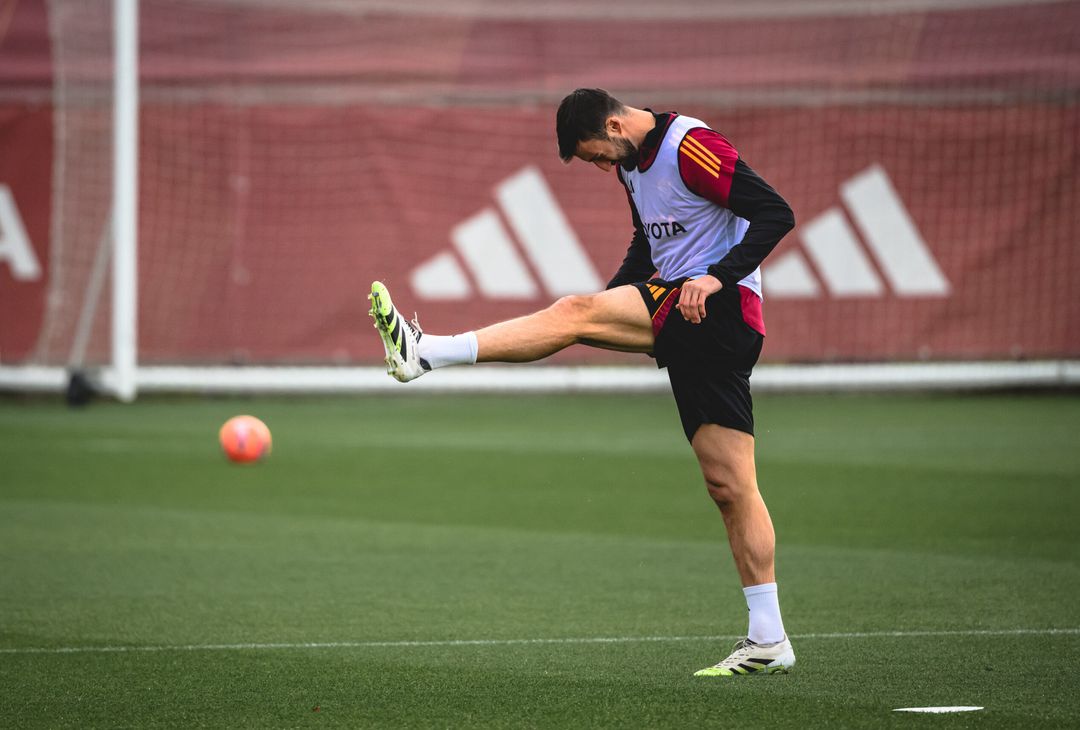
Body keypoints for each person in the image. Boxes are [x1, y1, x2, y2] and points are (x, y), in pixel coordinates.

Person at [368, 88, 796, 677]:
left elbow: (776, 212)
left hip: (719, 312)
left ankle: (425, 353)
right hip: (688, 317)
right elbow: (649, 243)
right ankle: (769, 639)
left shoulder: (693, 147)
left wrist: (717, 278)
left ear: (617, 124)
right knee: (730, 486)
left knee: (571, 313)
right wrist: (610, 299)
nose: (603, 167)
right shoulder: (630, 166)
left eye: (599, 155)